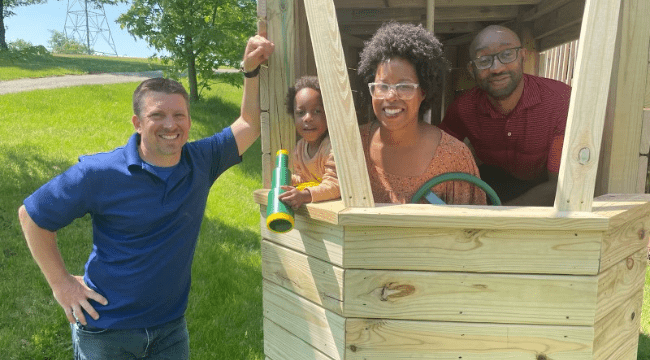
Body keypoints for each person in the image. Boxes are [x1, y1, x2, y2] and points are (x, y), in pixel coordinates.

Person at [17, 35, 274, 359]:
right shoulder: (99, 172)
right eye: (158, 115)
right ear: (138, 123)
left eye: (179, 115)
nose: (171, 125)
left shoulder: (201, 160)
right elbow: (32, 216)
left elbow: (249, 123)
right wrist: (61, 284)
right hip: (106, 329)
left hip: (170, 329)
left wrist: (249, 70)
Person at [438, 25, 571, 206]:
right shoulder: (463, 109)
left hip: (544, 192)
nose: (496, 68)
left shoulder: (559, 101)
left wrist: (496, 217)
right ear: (471, 69)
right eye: (483, 59)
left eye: (507, 54)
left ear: (523, 56)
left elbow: (561, 185)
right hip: (493, 183)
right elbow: (436, 157)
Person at [357, 22, 486, 205]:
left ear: (423, 92)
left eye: (404, 86)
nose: (391, 96)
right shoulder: (354, 145)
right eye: (382, 86)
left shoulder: (453, 156)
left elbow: (472, 227)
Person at [279, 76, 340, 210]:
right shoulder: (300, 147)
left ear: (328, 113)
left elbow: (335, 185)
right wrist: (286, 180)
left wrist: (304, 195)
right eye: (301, 113)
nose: (307, 118)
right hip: (315, 211)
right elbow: (303, 179)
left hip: (335, 211)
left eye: (317, 111)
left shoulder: (332, 147)